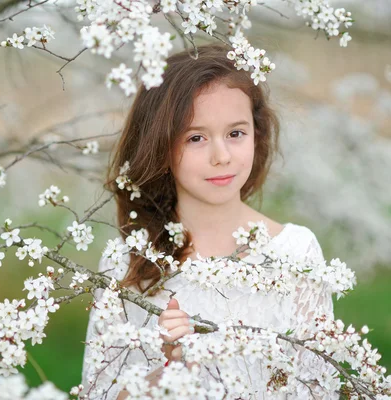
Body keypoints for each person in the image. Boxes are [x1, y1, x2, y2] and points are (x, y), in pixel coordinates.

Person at [81, 44, 338, 399]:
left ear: (257, 134)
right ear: (161, 146)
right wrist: (166, 368)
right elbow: (99, 392)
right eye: (196, 138)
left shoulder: (296, 253)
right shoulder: (128, 263)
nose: (221, 156)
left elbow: (318, 389)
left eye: (235, 133)